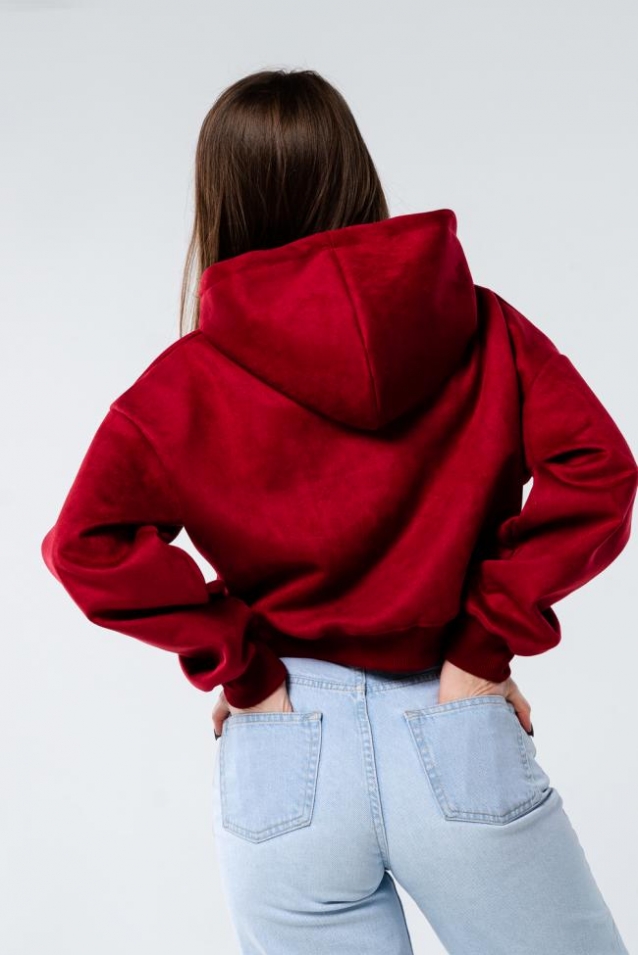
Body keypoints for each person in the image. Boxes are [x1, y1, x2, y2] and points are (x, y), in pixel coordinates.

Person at [41, 68, 636, 955]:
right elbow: (599, 470)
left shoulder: (185, 383)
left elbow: (84, 544)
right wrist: (483, 643)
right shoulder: (482, 327)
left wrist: (246, 668)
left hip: (287, 745)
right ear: (356, 174)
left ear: (219, 201)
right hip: (452, 712)